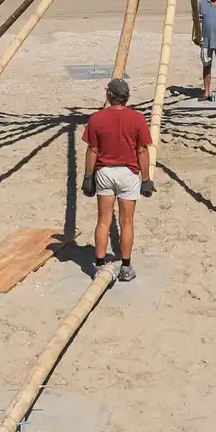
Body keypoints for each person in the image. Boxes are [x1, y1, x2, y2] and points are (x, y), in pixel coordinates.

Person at [82, 77, 152, 282]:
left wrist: (88, 176)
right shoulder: (137, 118)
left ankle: (100, 264)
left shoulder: (97, 118)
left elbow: (92, 150)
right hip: (128, 173)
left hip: (104, 172)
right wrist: (146, 179)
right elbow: (142, 151)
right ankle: (126, 266)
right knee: (127, 222)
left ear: (110, 95)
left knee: (103, 220)